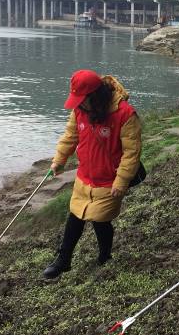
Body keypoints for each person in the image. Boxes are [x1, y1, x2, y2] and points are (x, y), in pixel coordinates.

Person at [43, 70, 142, 279]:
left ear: (95, 96)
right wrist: (58, 161)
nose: (79, 105)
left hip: (109, 179)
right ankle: (64, 259)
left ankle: (105, 256)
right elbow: (70, 136)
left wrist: (122, 180)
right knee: (75, 215)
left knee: (100, 219)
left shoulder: (125, 114)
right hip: (85, 175)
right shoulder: (80, 110)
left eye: (82, 100)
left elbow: (131, 153)